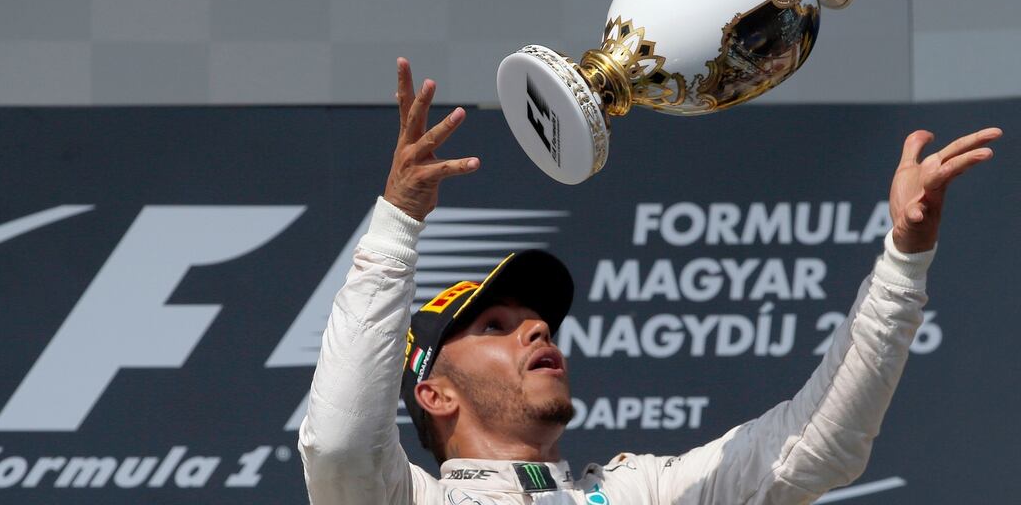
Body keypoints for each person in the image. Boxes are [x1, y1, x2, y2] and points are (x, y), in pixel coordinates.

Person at [299, 58, 1002, 504]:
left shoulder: (642, 492)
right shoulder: (400, 501)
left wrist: (905, 257)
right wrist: (396, 226)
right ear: (433, 393)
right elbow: (335, 442)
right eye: (494, 327)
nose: (538, 329)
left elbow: (811, 448)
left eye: (533, 319)